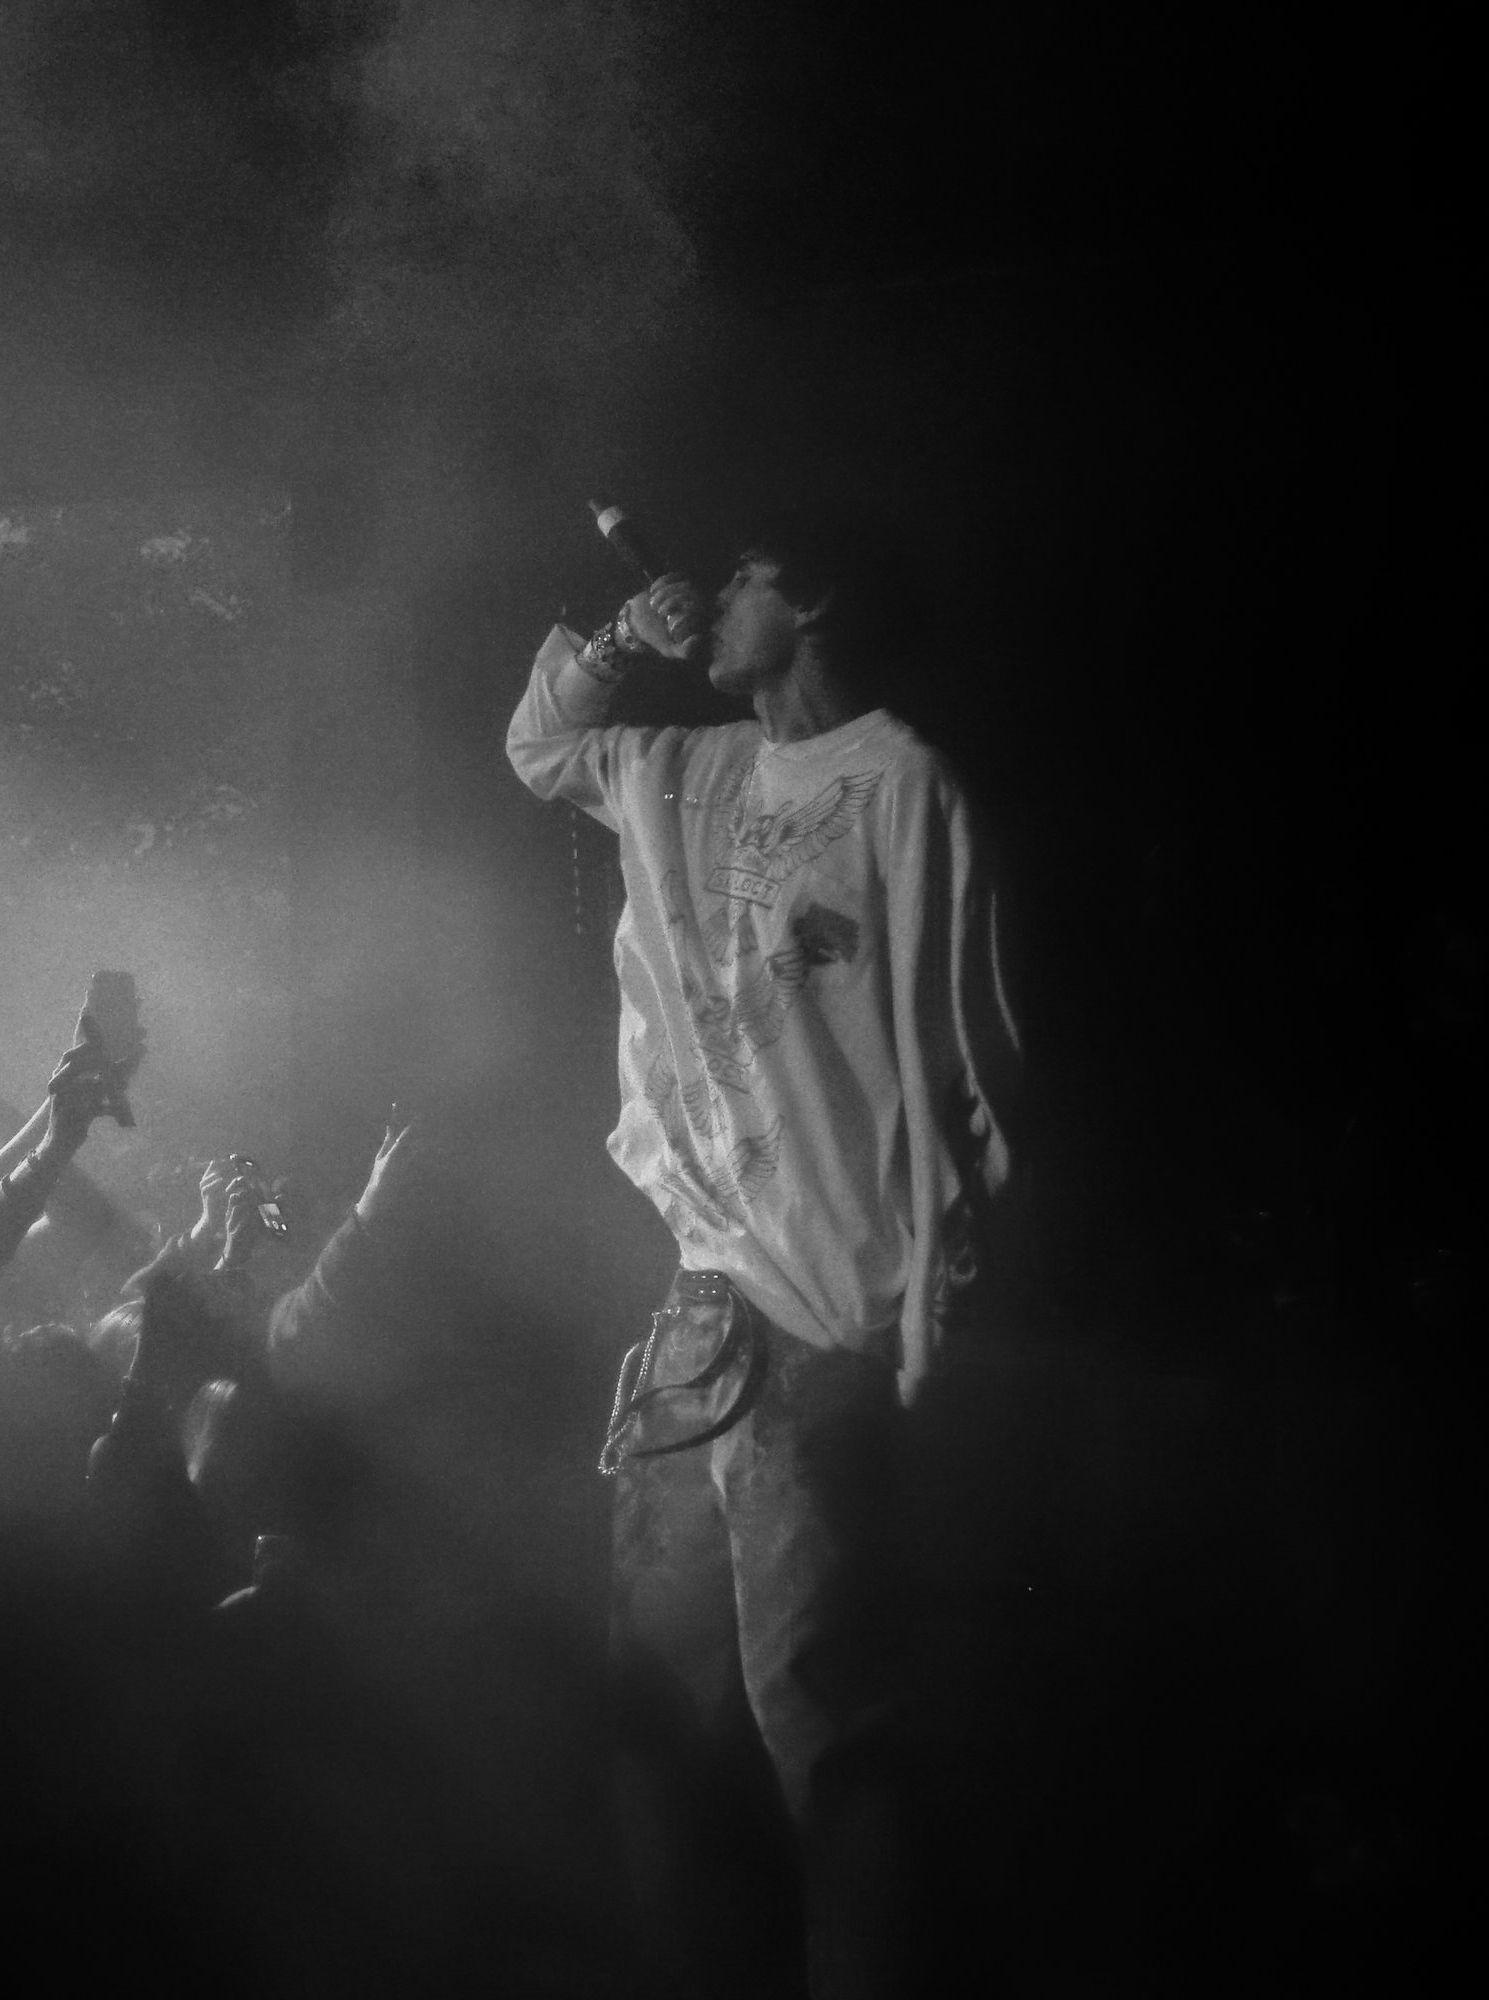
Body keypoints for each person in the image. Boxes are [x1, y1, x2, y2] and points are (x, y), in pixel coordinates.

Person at [506, 507, 1021, 1999]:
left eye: (745, 576)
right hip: (702, 1313)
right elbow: (541, 746)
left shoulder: (903, 786)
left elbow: (981, 1076)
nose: (714, 595)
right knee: (660, 1718)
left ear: (818, 596)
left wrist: (932, 1325)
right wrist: (618, 643)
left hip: (831, 1324)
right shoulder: (685, 768)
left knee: (829, 1735)